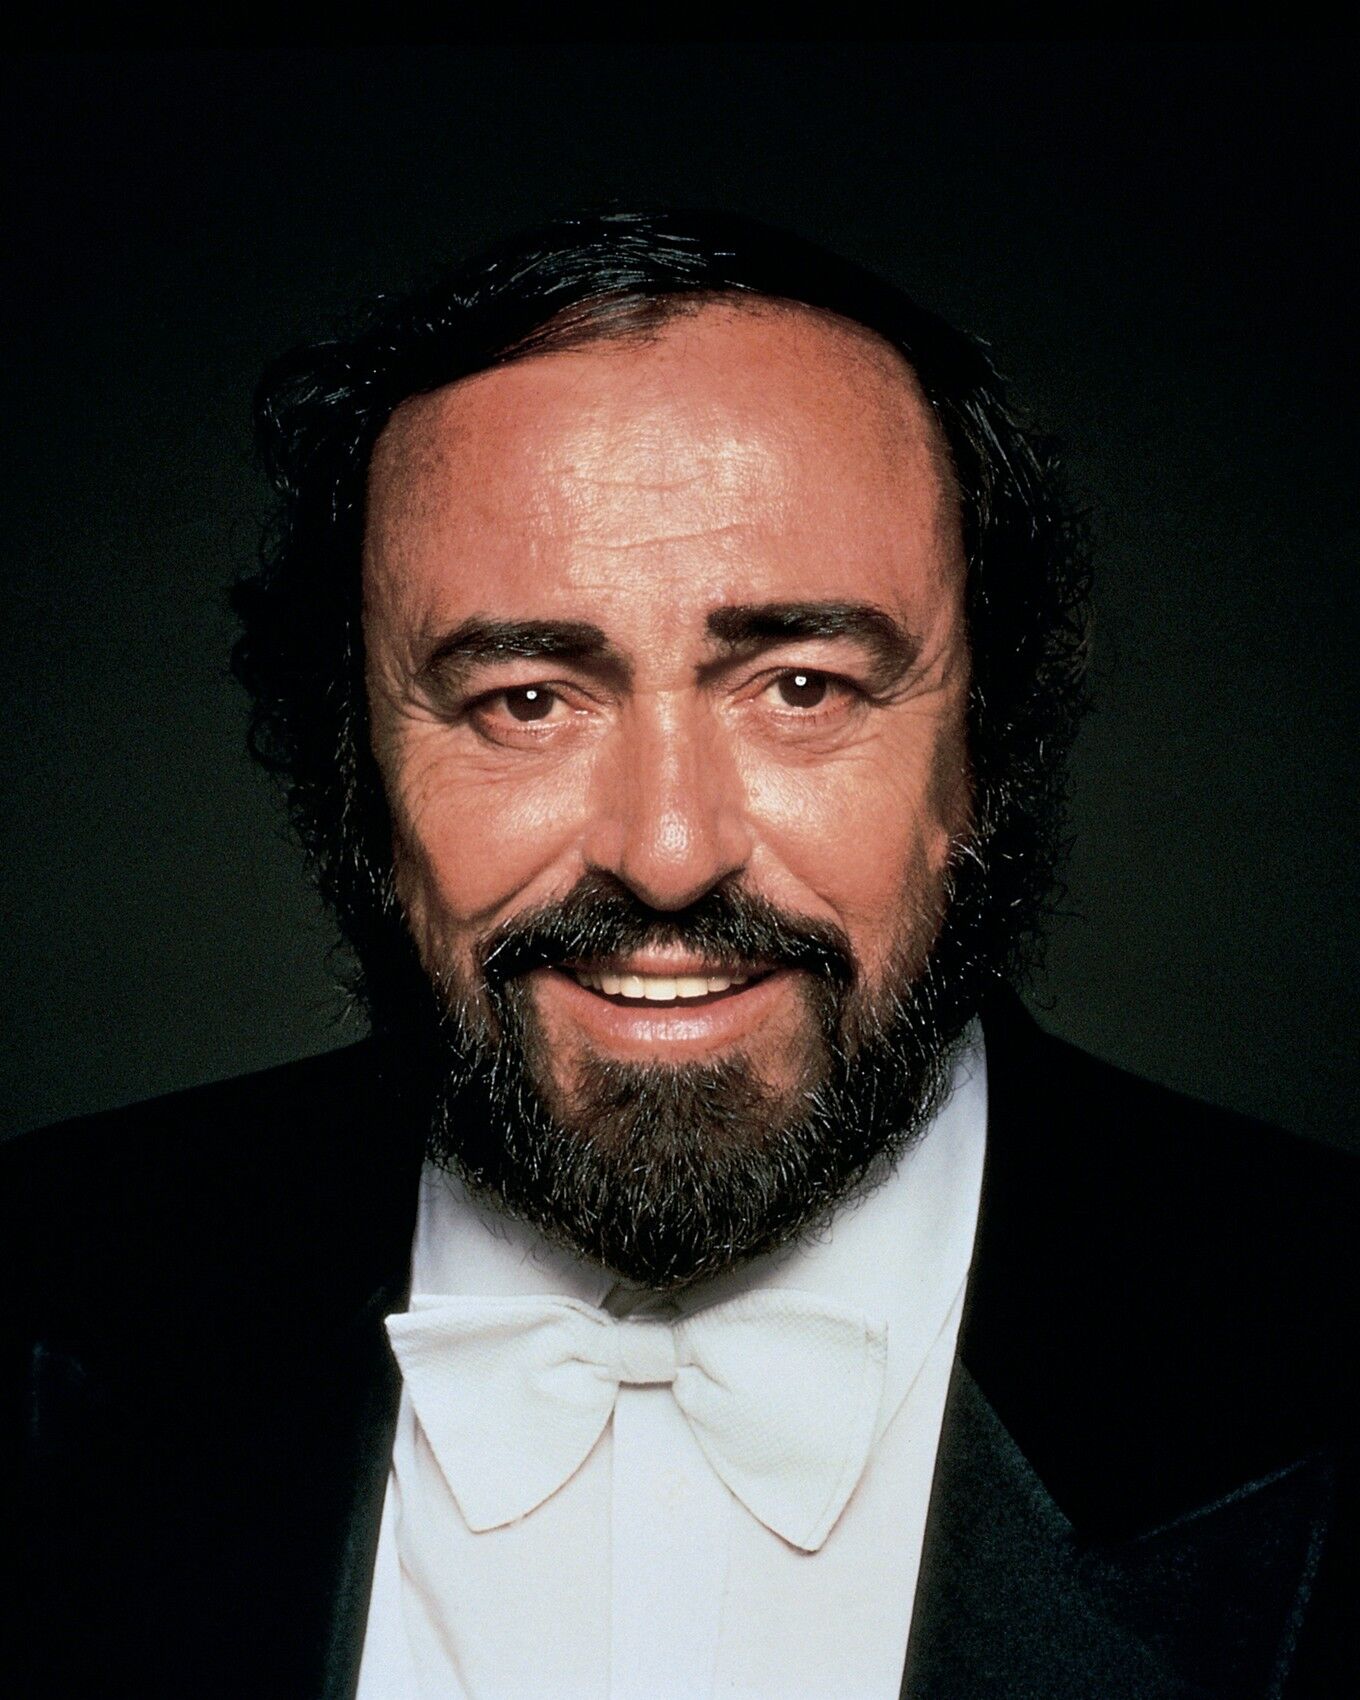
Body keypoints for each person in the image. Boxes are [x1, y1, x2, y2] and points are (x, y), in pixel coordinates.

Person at [3, 210, 1354, 1700]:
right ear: (358, 774)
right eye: (526, 700)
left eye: (800, 688)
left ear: (984, 753)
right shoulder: (47, 1299)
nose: (665, 851)